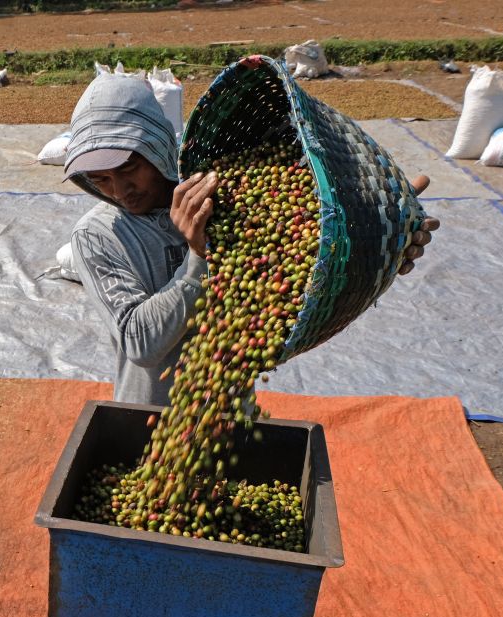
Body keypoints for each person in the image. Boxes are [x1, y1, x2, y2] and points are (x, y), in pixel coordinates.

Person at [63, 74, 439, 405]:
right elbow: (140, 342)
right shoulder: (97, 237)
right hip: (149, 415)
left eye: (129, 169)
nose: (120, 189)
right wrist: (198, 258)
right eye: (101, 180)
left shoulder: (228, 195)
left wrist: (381, 236)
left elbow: (298, 267)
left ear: (157, 148)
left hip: (228, 409)